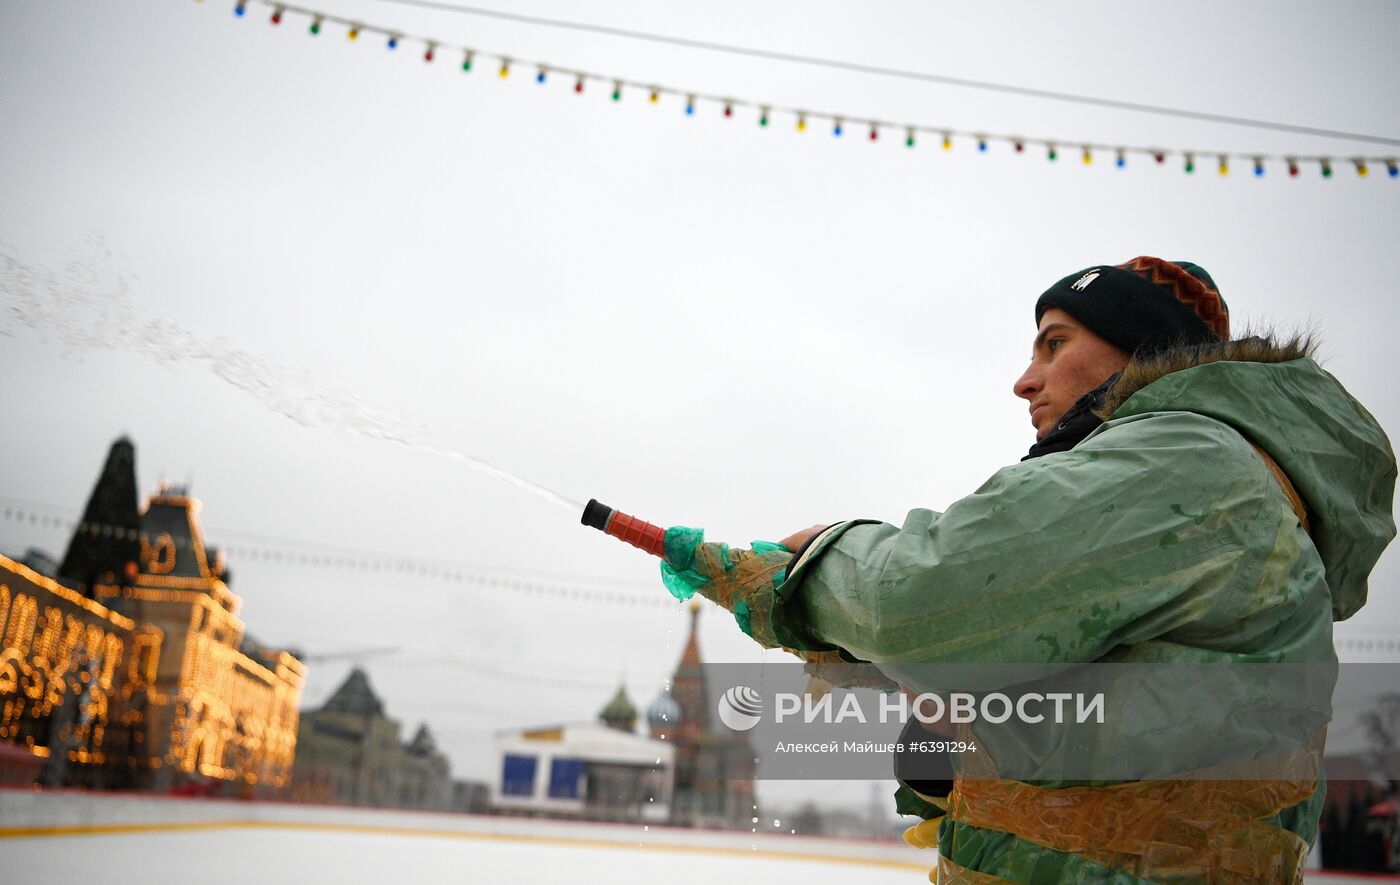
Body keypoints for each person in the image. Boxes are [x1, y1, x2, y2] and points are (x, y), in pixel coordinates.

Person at [666, 257, 1396, 882]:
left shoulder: (1181, 460)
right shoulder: (1221, 490)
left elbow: (915, 599)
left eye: (1055, 344)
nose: (1025, 379)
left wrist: (816, 565)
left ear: (1142, 356)